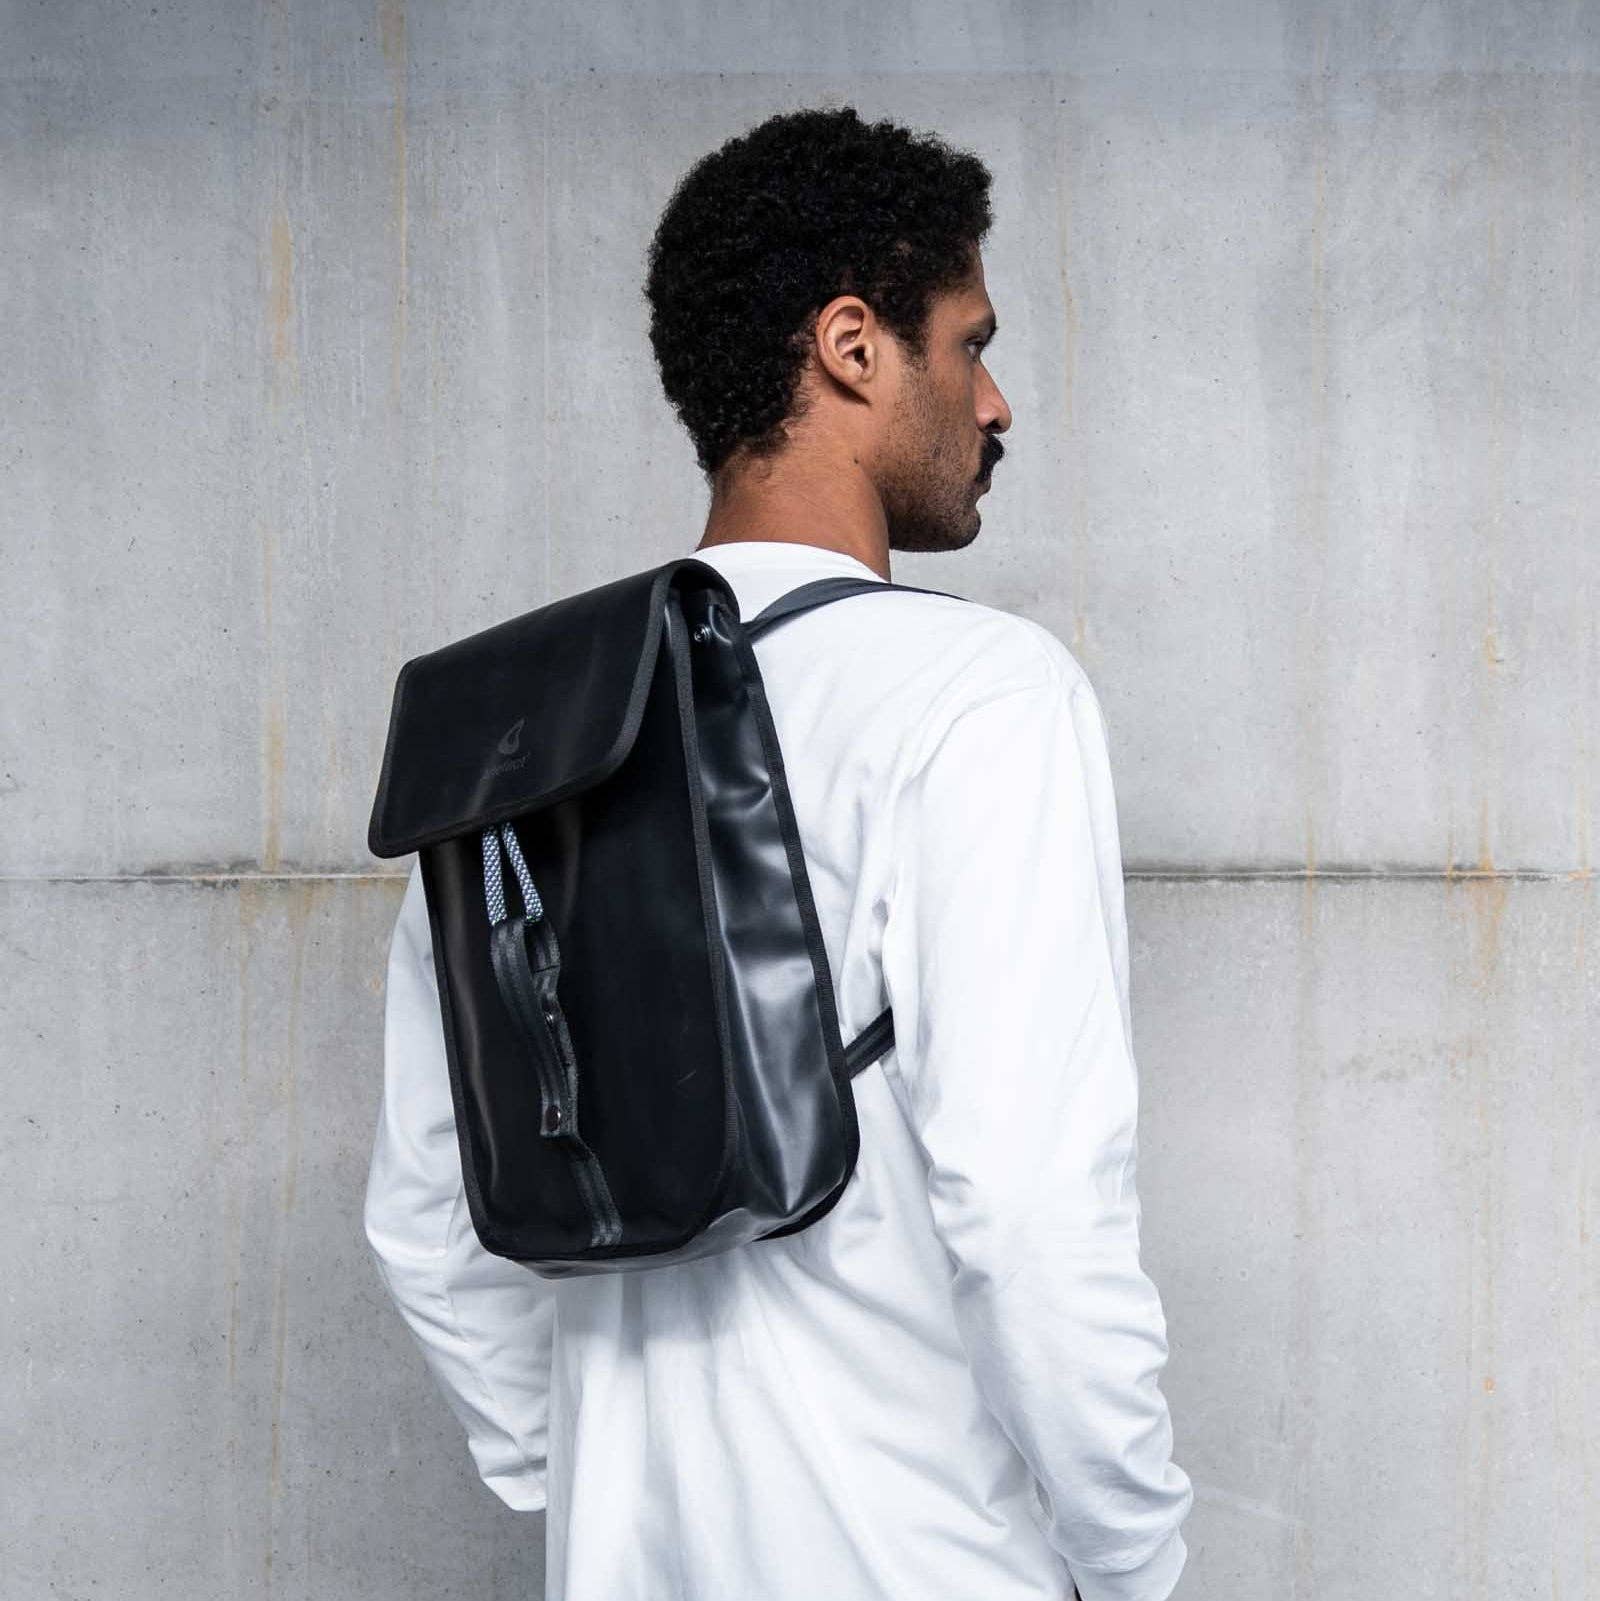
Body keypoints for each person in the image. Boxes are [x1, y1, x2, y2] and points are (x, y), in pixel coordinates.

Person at [364, 105, 1193, 1600]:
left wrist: (594, 1480)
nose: (996, 402)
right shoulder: (980, 696)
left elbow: (429, 1222)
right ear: (854, 346)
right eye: (970, 344)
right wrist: (1134, 1563)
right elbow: (1031, 1210)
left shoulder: (519, 735)